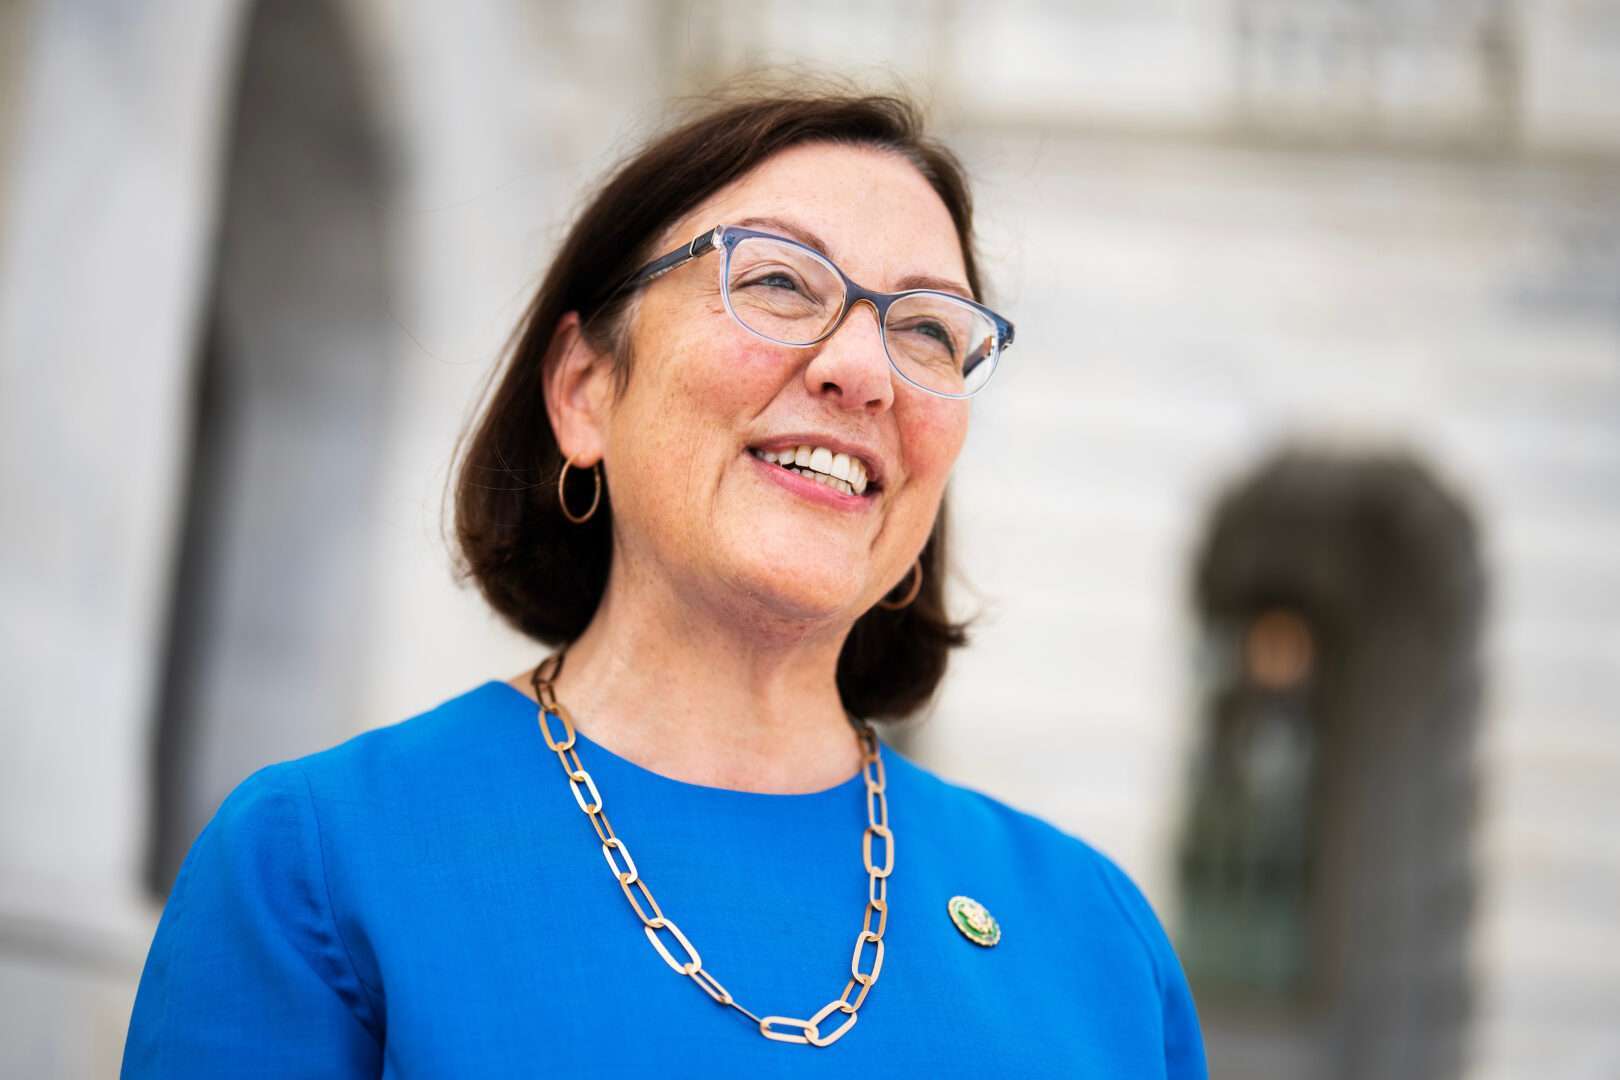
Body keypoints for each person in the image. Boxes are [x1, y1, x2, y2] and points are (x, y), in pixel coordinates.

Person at [122, 92, 1207, 1077]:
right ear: (585, 389)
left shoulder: (1094, 938)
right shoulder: (316, 867)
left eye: (929, 330)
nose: (864, 372)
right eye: (779, 280)